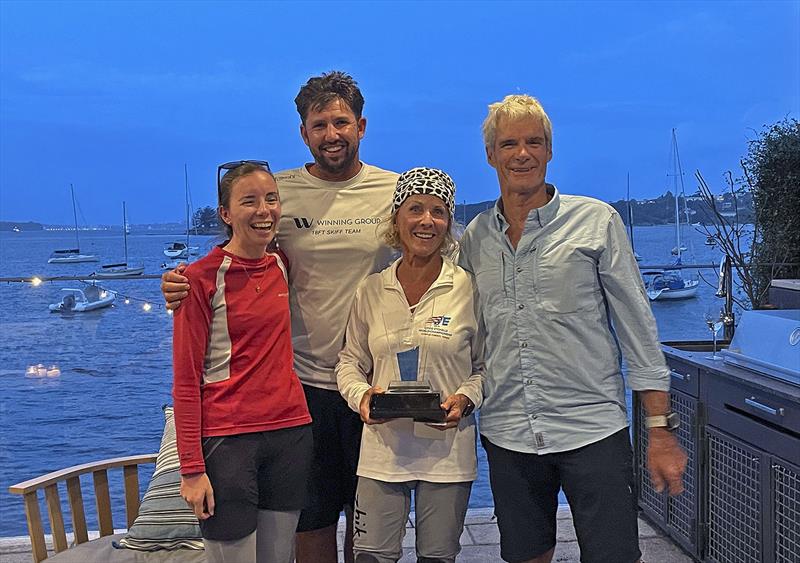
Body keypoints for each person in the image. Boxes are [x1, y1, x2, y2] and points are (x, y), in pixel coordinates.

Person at [162, 71, 398, 563]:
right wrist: (188, 280)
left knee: (368, 520)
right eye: (319, 125)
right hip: (304, 386)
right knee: (311, 521)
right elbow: (242, 246)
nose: (331, 134)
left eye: (341, 122)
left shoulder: (392, 191)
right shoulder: (282, 190)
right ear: (303, 133)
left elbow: (427, 253)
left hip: (377, 382)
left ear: (362, 125)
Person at [458, 94, 688, 563]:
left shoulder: (597, 222)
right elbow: (466, 338)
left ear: (549, 150)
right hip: (507, 433)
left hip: (593, 430)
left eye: (533, 142)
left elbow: (639, 332)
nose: (522, 153)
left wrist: (660, 431)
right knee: (526, 555)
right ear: (490, 155)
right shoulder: (475, 238)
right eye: (509, 144)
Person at [336, 167, 483, 563]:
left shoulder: (467, 287)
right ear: (397, 217)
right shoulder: (372, 288)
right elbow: (349, 361)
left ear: (449, 222)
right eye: (415, 208)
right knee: (368, 557)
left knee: (437, 559)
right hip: (383, 451)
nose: (426, 221)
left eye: (438, 211)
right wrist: (361, 395)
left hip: (447, 451)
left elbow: (486, 366)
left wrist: (466, 398)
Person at [172, 160, 313, 563]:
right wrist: (191, 469)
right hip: (228, 441)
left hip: (290, 433)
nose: (264, 211)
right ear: (226, 214)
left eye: (271, 199)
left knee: (279, 557)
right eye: (249, 201)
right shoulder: (199, 279)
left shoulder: (282, 263)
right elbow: (185, 381)